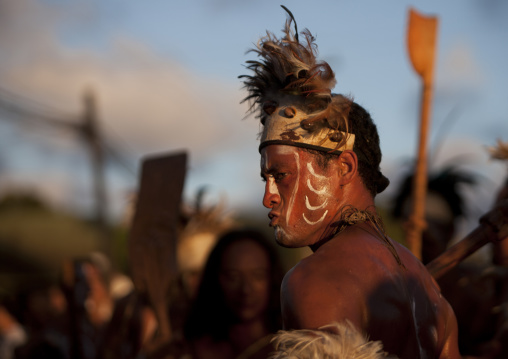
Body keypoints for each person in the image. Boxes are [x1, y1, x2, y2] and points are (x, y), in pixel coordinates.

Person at [239, 8, 461, 359]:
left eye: (280, 176)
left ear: (344, 166)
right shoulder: (428, 289)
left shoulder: (316, 282)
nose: (268, 197)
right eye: (266, 178)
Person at [151, 228, 284, 359]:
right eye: (233, 277)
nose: (245, 289)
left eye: (258, 276)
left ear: (272, 278)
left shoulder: (292, 348)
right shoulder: (186, 348)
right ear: (215, 279)